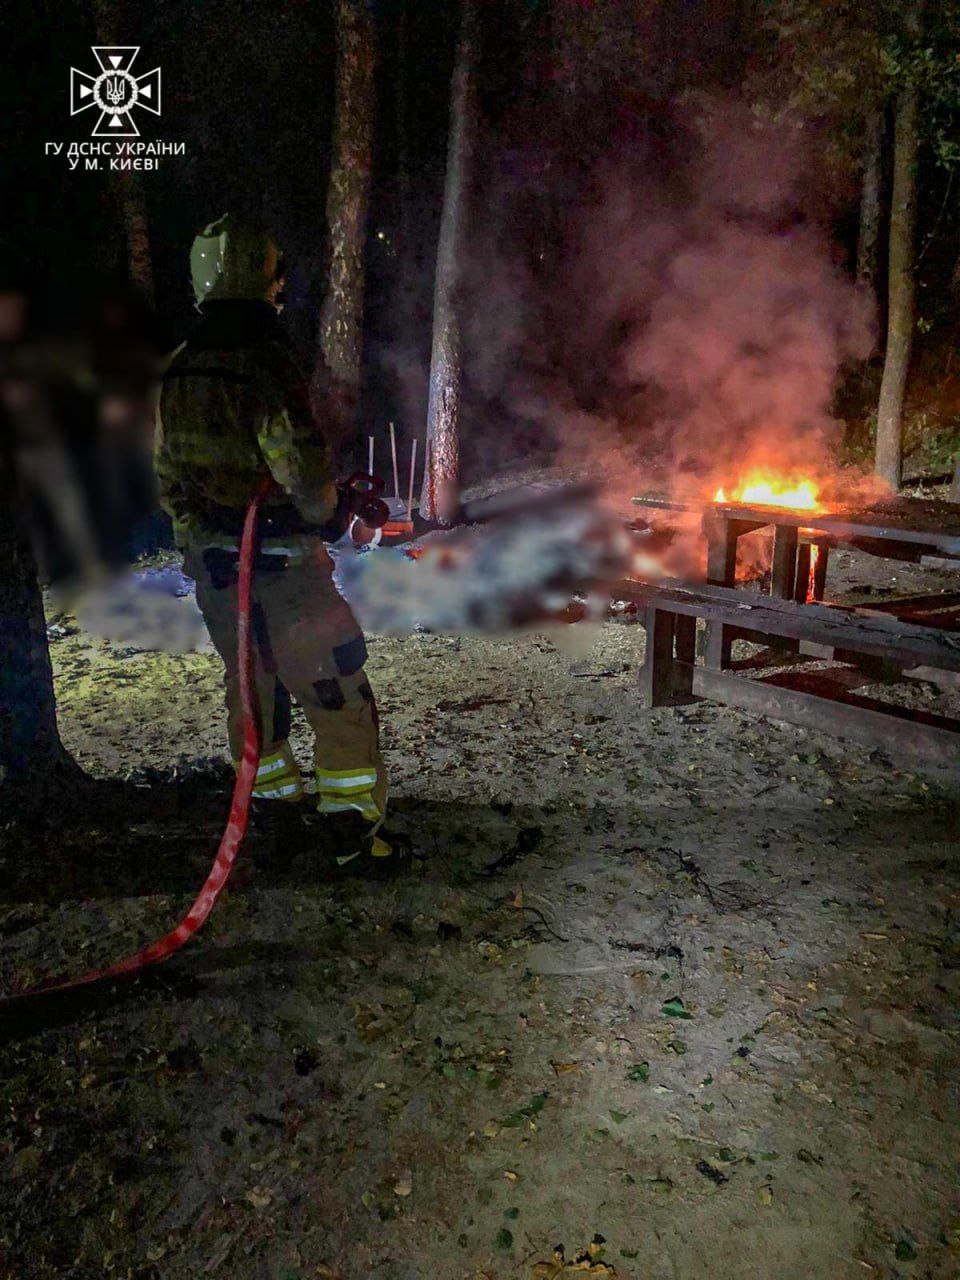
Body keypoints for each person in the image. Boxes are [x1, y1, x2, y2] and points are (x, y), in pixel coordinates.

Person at [155, 213, 392, 868]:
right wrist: (333, 515)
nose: (282, 289)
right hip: (287, 571)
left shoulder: (179, 368)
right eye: (277, 278)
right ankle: (349, 831)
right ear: (260, 278)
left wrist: (202, 547)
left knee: (251, 692)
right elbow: (305, 476)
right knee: (334, 686)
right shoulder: (264, 364)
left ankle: (272, 813)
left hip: (218, 572)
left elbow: (167, 477)